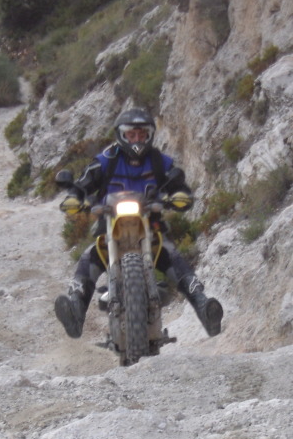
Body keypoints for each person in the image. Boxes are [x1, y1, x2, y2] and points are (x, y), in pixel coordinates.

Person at [54, 107, 224, 340]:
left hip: (150, 227)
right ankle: (74, 311)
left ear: (149, 135)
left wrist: (180, 197)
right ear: (122, 135)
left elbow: (179, 186)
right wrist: (75, 198)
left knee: (174, 258)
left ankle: (205, 308)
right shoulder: (106, 160)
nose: (137, 139)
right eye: (132, 134)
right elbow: (82, 184)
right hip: (109, 225)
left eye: (141, 134)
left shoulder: (159, 162)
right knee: (88, 259)